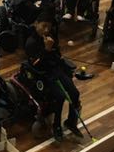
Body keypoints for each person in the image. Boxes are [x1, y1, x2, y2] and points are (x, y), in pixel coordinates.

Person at [25, 8, 82, 142]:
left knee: (74, 94)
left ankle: (71, 122)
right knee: (60, 97)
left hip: (56, 69)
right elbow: (36, 64)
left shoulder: (51, 37)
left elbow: (57, 55)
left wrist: (59, 59)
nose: (46, 30)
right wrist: (46, 50)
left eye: (49, 27)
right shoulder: (31, 42)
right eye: (43, 26)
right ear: (36, 24)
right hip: (43, 74)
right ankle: (56, 125)